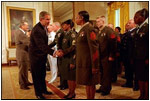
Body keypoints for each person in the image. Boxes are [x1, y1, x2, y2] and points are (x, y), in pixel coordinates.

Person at [29, 11, 62, 99]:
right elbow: (41, 45)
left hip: (42, 56)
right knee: (36, 76)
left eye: (49, 19)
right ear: (41, 19)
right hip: (36, 57)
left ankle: (43, 90)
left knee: (42, 74)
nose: (49, 21)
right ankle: (38, 94)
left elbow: (44, 45)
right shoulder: (37, 30)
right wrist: (53, 52)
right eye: (47, 19)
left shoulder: (43, 27)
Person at [75, 11, 100, 99]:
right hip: (84, 62)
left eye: (77, 17)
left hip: (89, 62)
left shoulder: (89, 29)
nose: (75, 19)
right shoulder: (82, 29)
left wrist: (95, 65)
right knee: (87, 83)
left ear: (82, 18)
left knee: (91, 83)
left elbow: (94, 48)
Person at [96, 16, 116, 96]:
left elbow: (113, 43)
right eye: (96, 21)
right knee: (102, 73)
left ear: (103, 22)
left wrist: (111, 55)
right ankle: (102, 86)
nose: (97, 23)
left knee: (107, 73)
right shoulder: (99, 31)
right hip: (100, 56)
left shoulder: (108, 30)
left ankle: (106, 89)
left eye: (98, 21)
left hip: (107, 56)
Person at [57, 19, 77, 99]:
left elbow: (73, 47)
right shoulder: (65, 34)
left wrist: (64, 52)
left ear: (69, 25)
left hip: (71, 58)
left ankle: (72, 93)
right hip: (65, 58)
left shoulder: (72, 34)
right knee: (68, 77)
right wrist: (60, 51)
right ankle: (70, 92)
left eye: (64, 25)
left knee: (72, 77)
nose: (63, 26)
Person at [133, 8, 148, 99]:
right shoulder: (138, 28)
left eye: (136, 17)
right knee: (140, 77)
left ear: (143, 17)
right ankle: (142, 95)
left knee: (146, 78)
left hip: (145, 58)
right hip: (138, 58)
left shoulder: (147, 28)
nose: (134, 18)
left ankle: (146, 96)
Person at [49, 22, 68, 90]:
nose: (52, 27)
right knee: (60, 69)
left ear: (57, 26)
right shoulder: (58, 32)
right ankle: (62, 83)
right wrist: (47, 47)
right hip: (59, 53)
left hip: (62, 53)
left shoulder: (61, 32)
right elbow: (54, 42)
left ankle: (65, 84)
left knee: (63, 69)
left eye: (53, 26)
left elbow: (63, 43)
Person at [15, 21, 33, 90]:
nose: (28, 27)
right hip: (22, 54)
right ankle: (22, 85)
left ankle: (26, 82)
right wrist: (29, 36)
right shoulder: (20, 33)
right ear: (22, 26)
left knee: (25, 69)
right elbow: (27, 42)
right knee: (22, 70)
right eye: (26, 25)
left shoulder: (22, 32)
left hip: (24, 54)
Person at [121, 19, 137, 89]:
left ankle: (135, 84)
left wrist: (131, 56)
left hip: (131, 55)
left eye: (129, 23)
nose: (127, 24)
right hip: (126, 54)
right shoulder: (128, 32)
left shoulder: (135, 32)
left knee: (133, 70)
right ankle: (128, 82)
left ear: (134, 24)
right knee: (127, 69)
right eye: (127, 23)